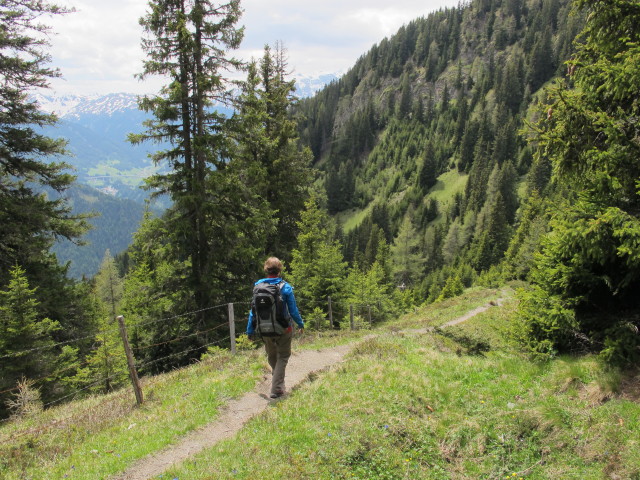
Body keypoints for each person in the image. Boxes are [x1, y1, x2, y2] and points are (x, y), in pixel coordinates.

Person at [247, 257, 304, 399]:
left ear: (266, 269)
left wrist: (250, 330)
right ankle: (277, 388)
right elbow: (293, 310)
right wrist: (300, 324)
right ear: (280, 270)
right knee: (283, 356)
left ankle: (278, 381)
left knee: (272, 356)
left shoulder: (257, 286)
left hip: (264, 329)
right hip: (284, 329)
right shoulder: (285, 287)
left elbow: (253, 312)